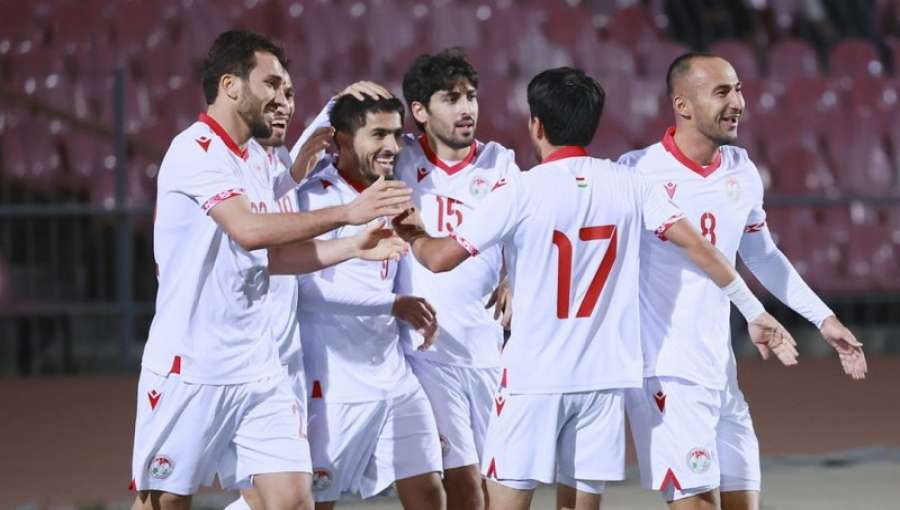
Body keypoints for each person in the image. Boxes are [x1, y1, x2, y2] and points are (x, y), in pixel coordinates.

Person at [391, 67, 798, 510]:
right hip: (604, 381)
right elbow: (702, 249)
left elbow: (440, 258)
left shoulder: (520, 189)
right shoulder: (631, 184)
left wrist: (412, 232)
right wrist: (754, 311)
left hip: (534, 377)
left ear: (537, 125)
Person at [129, 30, 410, 510]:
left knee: (293, 500)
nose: (282, 99)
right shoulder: (195, 150)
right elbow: (249, 230)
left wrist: (352, 246)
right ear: (230, 85)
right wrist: (347, 213)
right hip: (191, 365)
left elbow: (274, 258)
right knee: (164, 503)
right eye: (272, 84)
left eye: (287, 89)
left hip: (259, 366)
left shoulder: (260, 160)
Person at [617, 52, 867, 510]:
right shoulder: (637, 171)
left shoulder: (741, 169)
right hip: (667, 372)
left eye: (738, 90)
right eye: (722, 92)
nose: (738, 103)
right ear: (682, 105)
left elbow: (762, 255)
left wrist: (823, 318)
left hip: (720, 371)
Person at [295, 49, 517, 510]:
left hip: (481, 350)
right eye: (451, 98)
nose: (466, 108)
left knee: (490, 484)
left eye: (471, 96)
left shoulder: (500, 162)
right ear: (421, 110)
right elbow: (296, 169)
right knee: (461, 485)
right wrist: (333, 105)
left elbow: (528, 224)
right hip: (421, 357)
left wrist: (515, 274)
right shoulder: (394, 162)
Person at [296, 93, 446, 509]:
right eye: (378, 134)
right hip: (335, 385)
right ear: (343, 139)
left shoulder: (395, 196)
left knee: (429, 493)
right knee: (315, 502)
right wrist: (392, 305)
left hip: (395, 379)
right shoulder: (317, 198)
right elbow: (305, 290)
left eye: (396, 135)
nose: (392, 146)